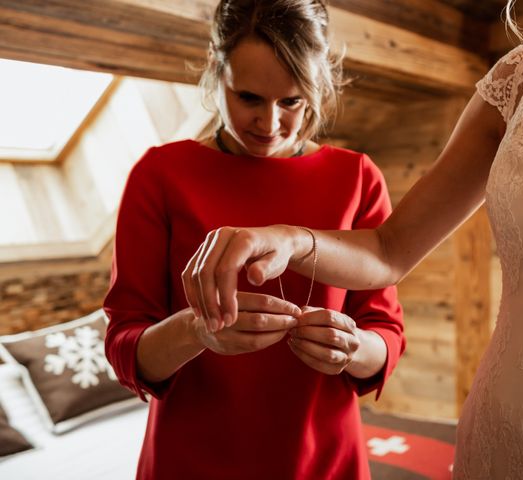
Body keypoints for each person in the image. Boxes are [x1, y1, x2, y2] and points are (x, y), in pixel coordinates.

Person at [183, 0, 523, 478]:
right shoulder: (519, 78)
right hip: (498, 433)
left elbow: (383, 330)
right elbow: (389, 249)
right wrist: (290, 241)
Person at [103, 1, 405, 479]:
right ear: (215, 72)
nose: (269, 125)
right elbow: (124, 344)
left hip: (322, 456)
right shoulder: (160, 175)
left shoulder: (357, 177)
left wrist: (353, 346)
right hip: (192, 457)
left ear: (316, 89)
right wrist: (196, 331)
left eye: (291, 102)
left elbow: (385, 331)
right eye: (248, 98)